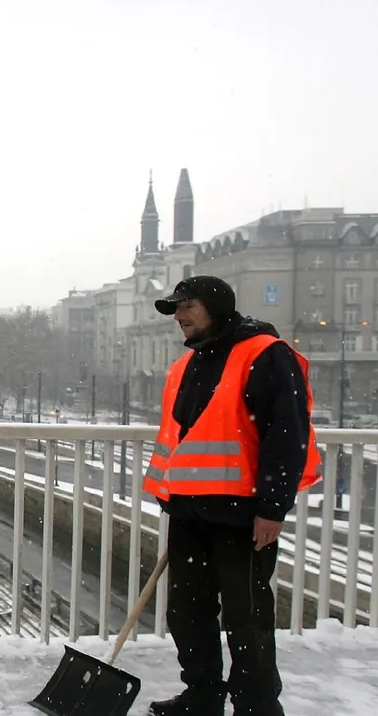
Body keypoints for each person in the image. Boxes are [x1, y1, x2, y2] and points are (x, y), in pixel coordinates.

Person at [145, 276, 322, 716]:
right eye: (175, 309)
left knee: (247, 620)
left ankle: (256, 706)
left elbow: (287, 436)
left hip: (243, 515)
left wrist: (272, 508)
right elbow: (183, 437)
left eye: (187, 306)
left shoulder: (264, 354)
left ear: (216, 306)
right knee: (187, 613)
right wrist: (172, 495)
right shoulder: (186, 365)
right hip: (189, 511)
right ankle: (202, 696)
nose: (179, 316)